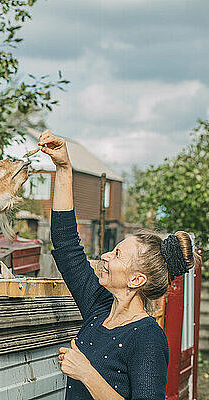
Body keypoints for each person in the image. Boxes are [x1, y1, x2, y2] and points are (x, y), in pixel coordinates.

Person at [37, 130, 197, 400]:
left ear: (136, 280)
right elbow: (66, 246)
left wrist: (86, 373)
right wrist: (64, 168)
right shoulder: (98, 308)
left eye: (118, 255)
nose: (105, 256)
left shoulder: (148, 339)